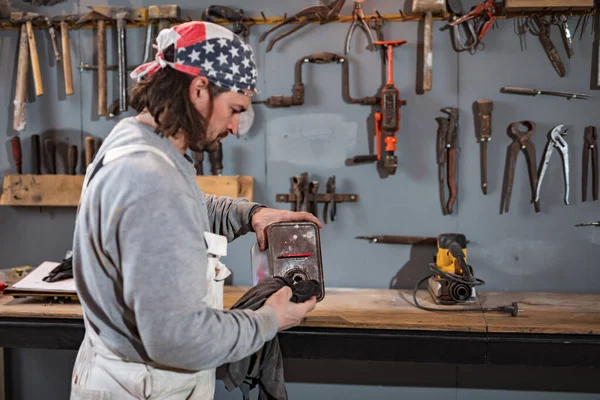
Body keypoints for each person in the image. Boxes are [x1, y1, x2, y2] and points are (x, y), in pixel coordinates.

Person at [70, 21, 320, 399]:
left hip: (121, 374)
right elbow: (177, 338)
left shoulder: (134, 144)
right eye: (235, 109)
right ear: (199, 88)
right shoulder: (150, 177)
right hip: (145, 387)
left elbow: (176, 214)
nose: (236, 127)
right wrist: (269, 320)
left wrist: (249, 214)